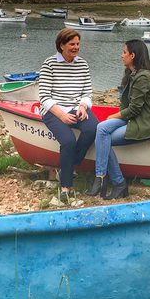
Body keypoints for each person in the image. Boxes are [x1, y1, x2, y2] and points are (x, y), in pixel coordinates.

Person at [89, 39, 150, 200]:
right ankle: (106, 179)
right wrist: (114, 118)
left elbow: (135, 108)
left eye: (124, 52)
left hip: (145, 122)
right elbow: (128, 107)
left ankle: (112, 181)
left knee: (102, 137)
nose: (121, 55)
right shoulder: (132, 73)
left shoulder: (143, 77)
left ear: (133, 55)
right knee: (102, 130)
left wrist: (113, 116)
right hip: (133, 118)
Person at [38, 28, 97, 202]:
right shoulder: (49, 64)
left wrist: (83, 106)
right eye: (72, 44)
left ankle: (68, 165)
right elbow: (44, 97)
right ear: (62, 45)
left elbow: (87, 92)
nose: (76, 47)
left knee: (93, 128)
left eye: (78, 44)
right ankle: (66, 187)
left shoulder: (83, 64)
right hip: (53, 109)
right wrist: (62, 115)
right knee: (68, 141)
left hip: (75, 107)